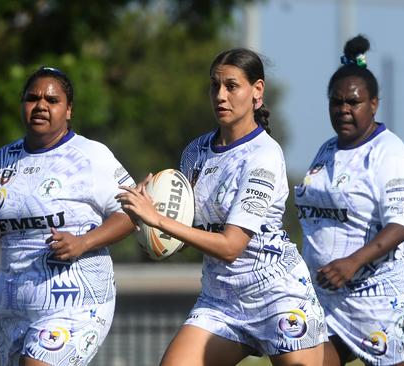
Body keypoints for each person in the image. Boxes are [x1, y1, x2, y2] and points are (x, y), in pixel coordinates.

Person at [116, 48, 326, 366]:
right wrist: (147, 227)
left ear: (257, 91)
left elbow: (230, 247)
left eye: (231, 86)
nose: (220, 96)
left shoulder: (263, 156)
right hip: (221, 300)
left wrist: (157, 220)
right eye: (215, 86)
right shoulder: (194, 153)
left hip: (277, 296)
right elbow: (187, 234)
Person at [0, 66, 136, 365]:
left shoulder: (91, 155)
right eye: (32, 98)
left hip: (74, 301)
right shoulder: (0, 160)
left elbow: (132, 212)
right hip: (12, 305)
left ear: (69, 109)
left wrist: (83, 242)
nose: (41, 106)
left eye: (52, 100)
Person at [294, 35, 404, 366]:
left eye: (354, 102)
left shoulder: (389, 152)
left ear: (374, 104)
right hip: (326, 300)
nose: (344, 110)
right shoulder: (327, 150)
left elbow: (402, 223)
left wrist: (352, 263)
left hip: (376, 299)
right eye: (336, 102)